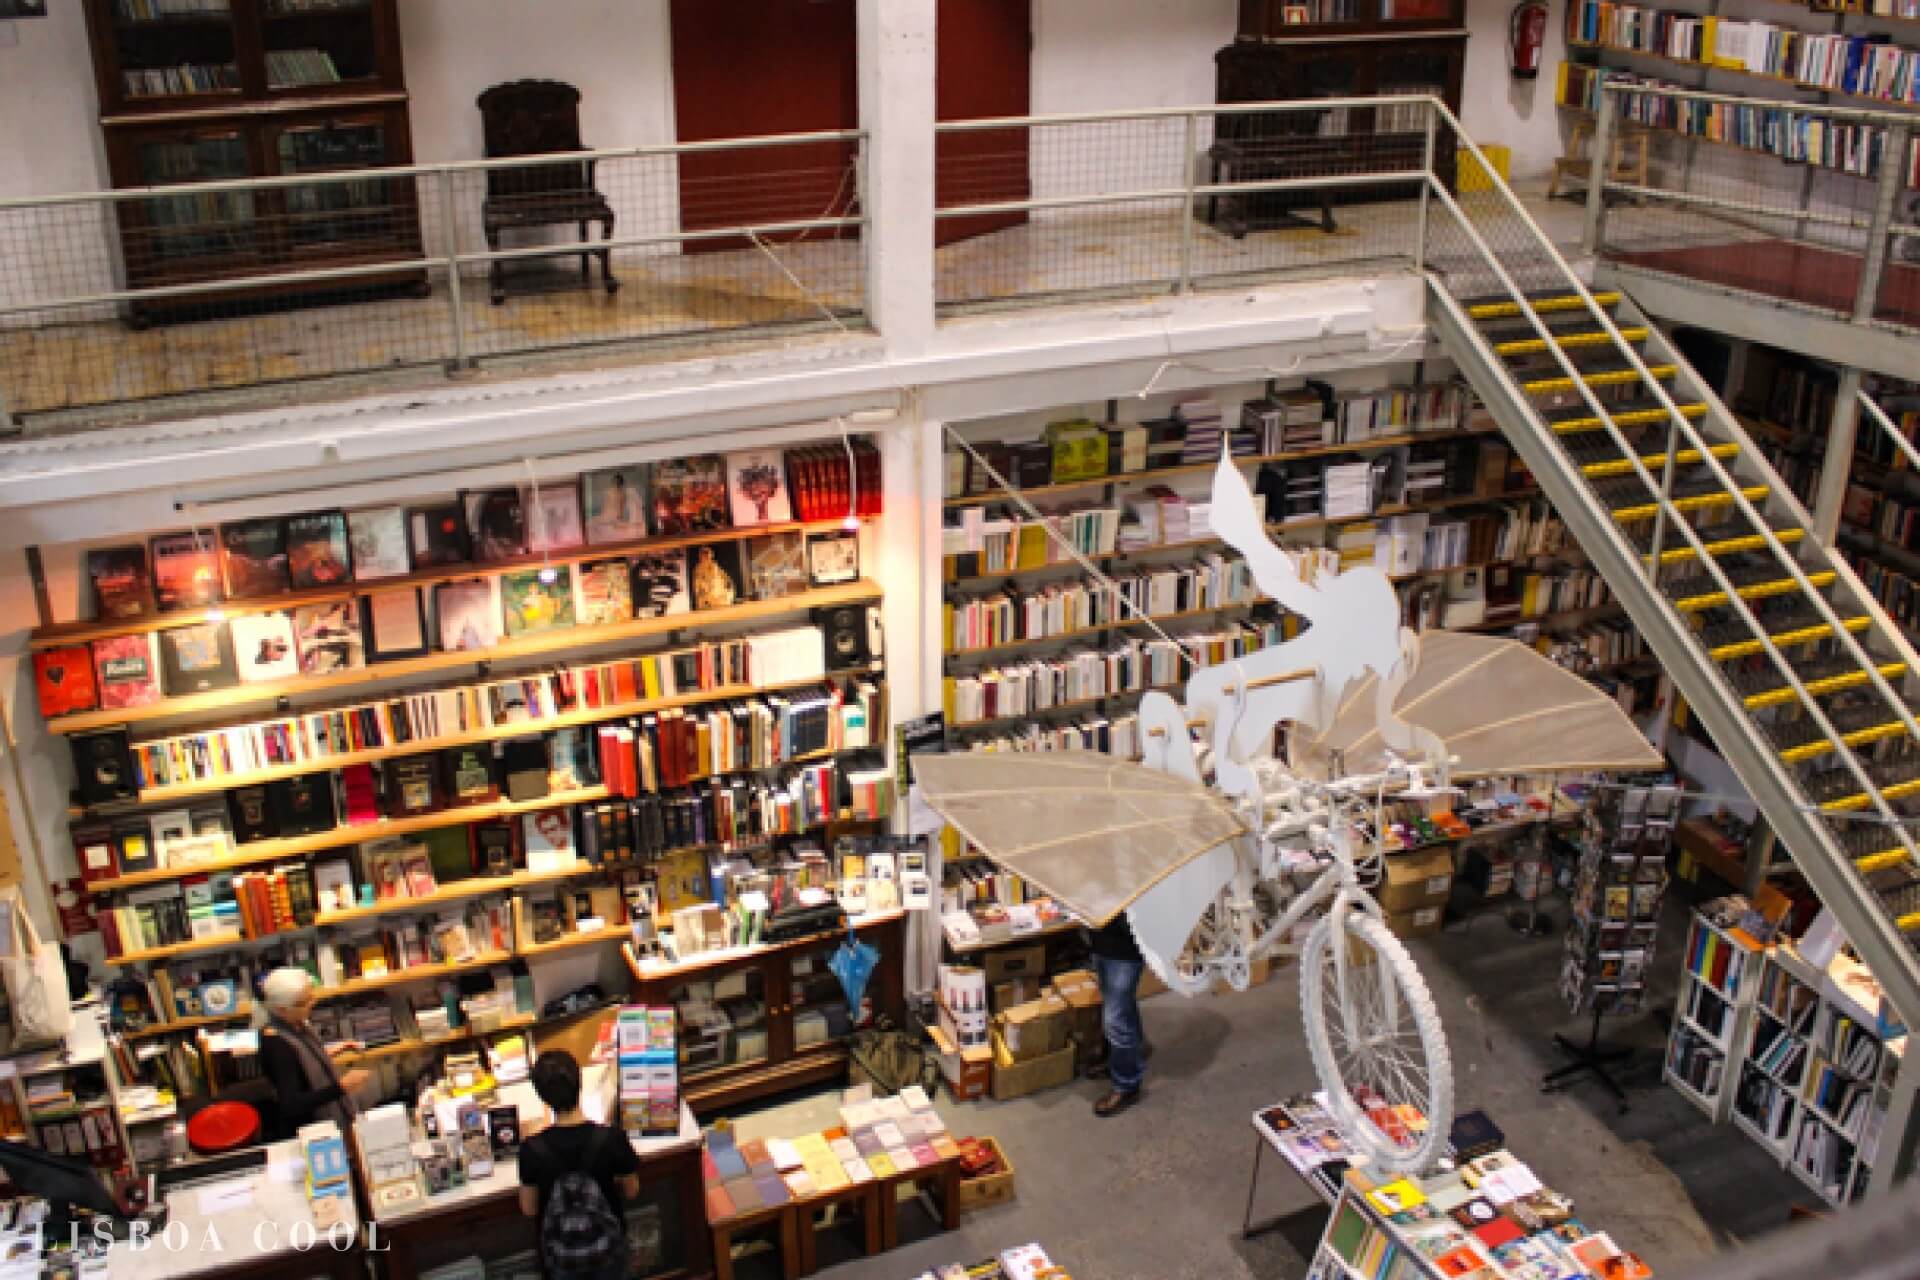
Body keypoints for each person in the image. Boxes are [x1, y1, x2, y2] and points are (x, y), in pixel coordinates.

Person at [518, 1050, 642, 1280]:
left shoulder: (531, 1150)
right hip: (609, 1259)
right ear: (580, 1083)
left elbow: (529, 1208)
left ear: (542, 1097)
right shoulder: (611, 1138)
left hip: (562, 1262)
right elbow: (632, 1190)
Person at [258, 968, 367, 1137]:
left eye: (311, 996)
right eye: (304, 1001)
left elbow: (303, 1059)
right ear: (281, 1010)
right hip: (311, 1130)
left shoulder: (297, 1024)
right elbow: (292, 1104)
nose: (313, 1002)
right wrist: (342, 1087)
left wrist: (339, 1047)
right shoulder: (276, 1045)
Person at [1087, 914, 1148, 1116]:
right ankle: (1125, 1059)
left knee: (1115, 1020)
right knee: (1123, 1006)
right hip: (1101, 941)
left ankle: (1127, 1085)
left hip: (1126, 947)